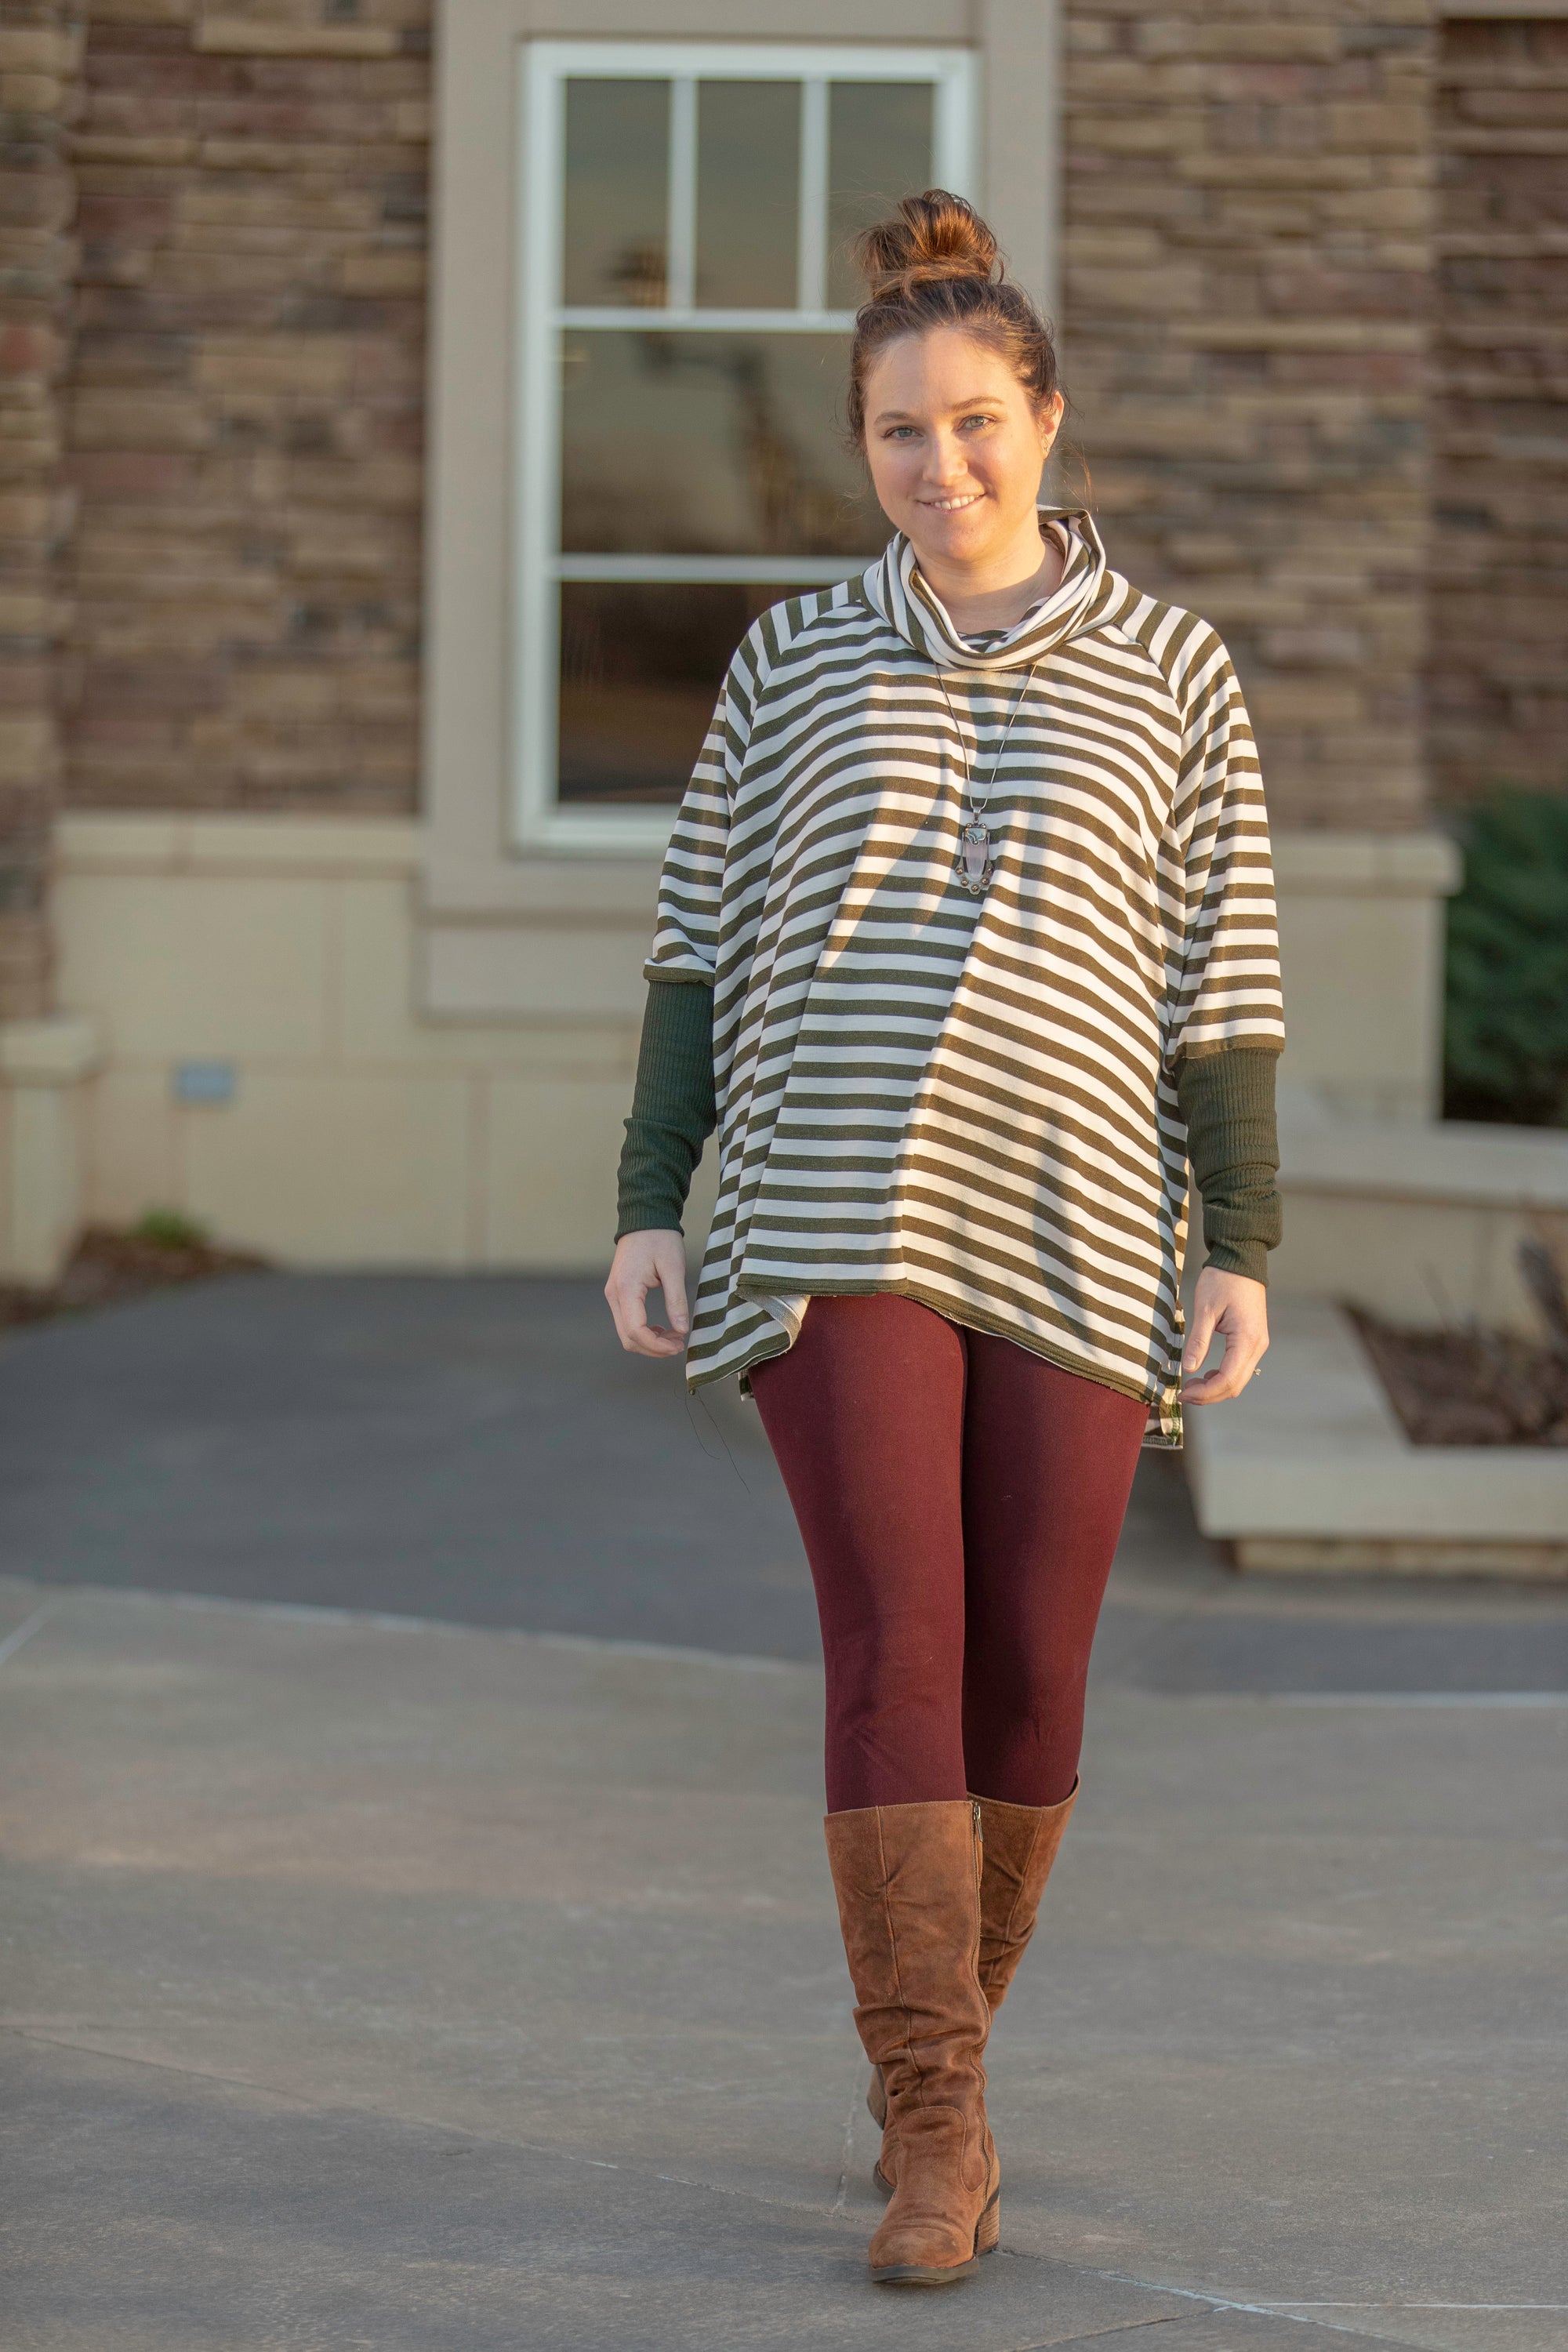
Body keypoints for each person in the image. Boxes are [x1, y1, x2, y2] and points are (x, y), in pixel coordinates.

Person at [604, 191, 1283, 2289]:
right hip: (832, 1208)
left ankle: (943, 2049)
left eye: (977, 421)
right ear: (863, 446)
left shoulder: (1175, 673)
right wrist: (650, 1196)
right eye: (901, 432)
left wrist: (1239, 1236)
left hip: (1082, 1218)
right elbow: (699, 939)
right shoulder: (792, 661)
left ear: (1048, 420)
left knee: (1035, 1673)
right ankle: (936, 2123)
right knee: (896, 1645)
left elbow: (1223, 975)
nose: (941, 463)